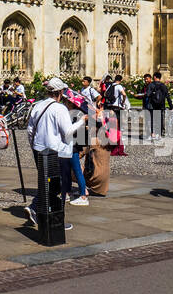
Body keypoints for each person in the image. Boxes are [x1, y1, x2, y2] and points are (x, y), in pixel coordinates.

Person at [26, 78, 87, 228]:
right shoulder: (60, 109)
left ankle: (40, 212)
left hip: (39, 150)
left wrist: (34, 145)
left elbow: (29, 130)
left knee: (46, 183)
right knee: (58, 185)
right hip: (56, 152)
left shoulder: (38, 106)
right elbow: (67, 132)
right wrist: (81, 121)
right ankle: (50, 218)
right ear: (60, 92)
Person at [83, 100, 112, 196]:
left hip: (95, 181)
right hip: (103, 187)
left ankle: (81, 189)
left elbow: (79, 153)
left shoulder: (94, 140)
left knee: (70, 165)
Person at [142, 71, 170, 139]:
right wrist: (170, 106)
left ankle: (152, 134)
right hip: (161, 105)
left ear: (154, 77)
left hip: (152, 105)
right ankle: (159, 135)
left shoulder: (151, 85)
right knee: (159, 120)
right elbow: (167, 96)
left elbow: (148, 94)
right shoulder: (163, 86)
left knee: (152, 120)